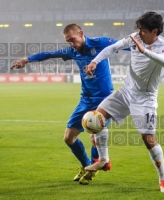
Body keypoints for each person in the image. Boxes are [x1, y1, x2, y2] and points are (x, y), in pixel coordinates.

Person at [10, 23, 124, 185]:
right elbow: (49, 54)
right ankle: (86, 165)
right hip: (85, 99)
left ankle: (94, 169)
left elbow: (125, 44)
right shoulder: (72, 51)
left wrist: (151, 48)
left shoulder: (100, 43)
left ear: (81, 33)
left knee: (95, 136)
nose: (71, 43)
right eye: (68, 41)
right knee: (68, 138)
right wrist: (26, 59)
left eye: (73, 39)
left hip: (104, 100)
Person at [85, 11, 164, 193]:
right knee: (97, 118)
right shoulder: (134, 37)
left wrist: (145, 51)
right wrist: (94, 61)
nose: (139, 33)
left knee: (148, 140)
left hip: (145, 98)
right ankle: (104, 160)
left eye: (143, 30)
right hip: (126, 91)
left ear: (154, 31)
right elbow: (112, 48)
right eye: (138, 29)